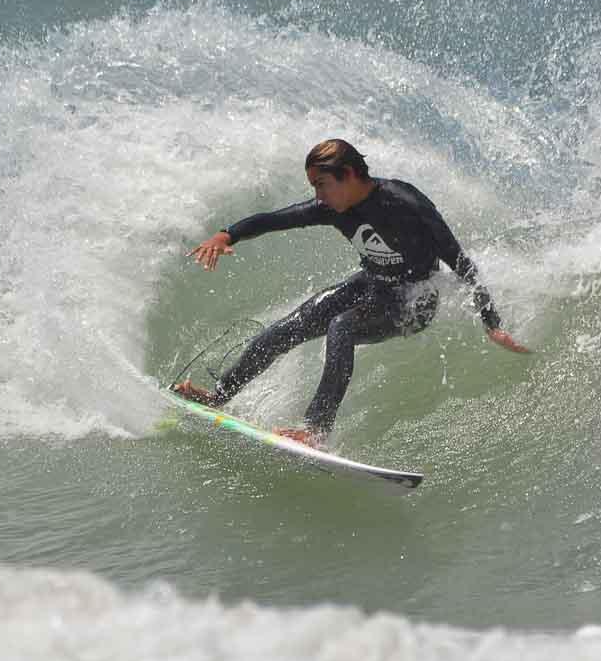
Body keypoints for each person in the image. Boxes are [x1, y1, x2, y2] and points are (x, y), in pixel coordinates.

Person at [172, 139, 528, 448]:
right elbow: (273, 220)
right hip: (372, 284)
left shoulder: (405, 203)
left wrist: (491, 323)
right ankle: (219, 397)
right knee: (287, 328)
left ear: (349, 174)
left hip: (415, 299)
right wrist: (226, 235)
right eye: (314, 186)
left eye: (322, 184)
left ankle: (316, 430)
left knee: (341, 326)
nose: (318, 196)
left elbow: (459, 260)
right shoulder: (334, 209)